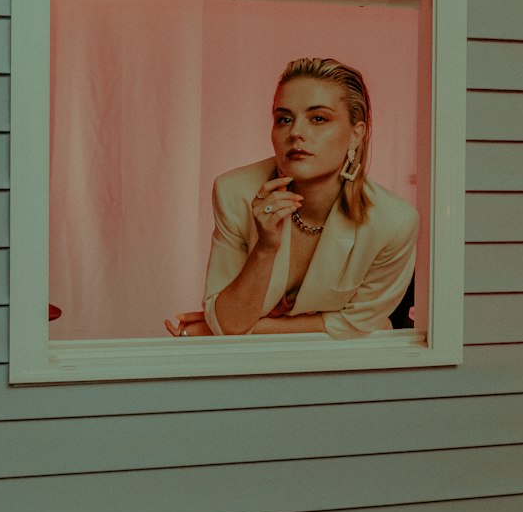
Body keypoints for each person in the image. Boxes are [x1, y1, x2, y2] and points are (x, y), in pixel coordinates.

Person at [165, 57, 418, 340]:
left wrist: (231, 327)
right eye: (284, 119)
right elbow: (230, 322)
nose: (296, 133)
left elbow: (359, 324)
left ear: (355, 135)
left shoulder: (393, 221)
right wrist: (265, 249)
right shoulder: (234, 192)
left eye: (318, 118)